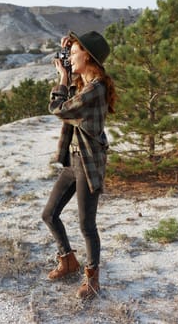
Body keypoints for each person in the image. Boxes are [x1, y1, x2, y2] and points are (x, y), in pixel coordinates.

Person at [42, 30, 115, 299]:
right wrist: (66, 53)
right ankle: (68, 260)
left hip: (88, 163)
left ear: (89, 56)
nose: (70, 59)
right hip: (73, 161)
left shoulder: (96, 89)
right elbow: (68, 88)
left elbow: (59, 108)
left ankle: (92, 279)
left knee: (87, 225)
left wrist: (63, 78)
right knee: (49, 214)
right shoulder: (84, 84)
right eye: (69, 55)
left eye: (74, 54)